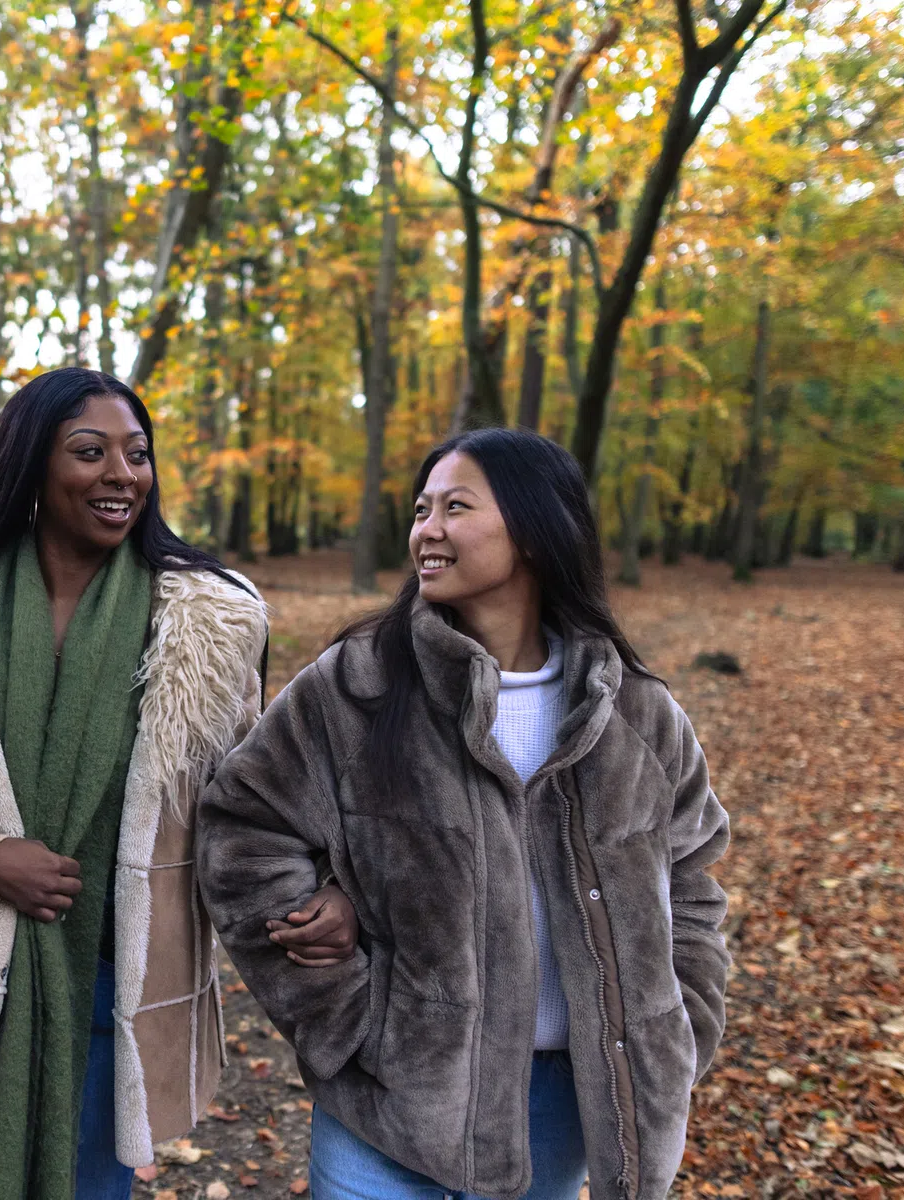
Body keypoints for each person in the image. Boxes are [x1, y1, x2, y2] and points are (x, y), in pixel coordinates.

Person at [196, 428, 731, 1200]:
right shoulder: (356, 685)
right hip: (393, 1100)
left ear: (536, 528)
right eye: (421, 510)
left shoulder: (634, 712)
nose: (426, 530)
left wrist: (676, 1026)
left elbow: (689, 879)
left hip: (562, 1106)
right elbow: (243, 825)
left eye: (455, 507)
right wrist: (344, 1018)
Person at [0, 367, 268, 1200]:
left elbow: (251, 807)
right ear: (31, 468)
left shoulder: (211, 626)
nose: (122, 474)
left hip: (120, 986)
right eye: (90, 452)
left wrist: (307, 899)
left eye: (137, 454)